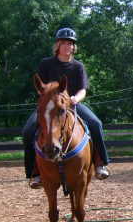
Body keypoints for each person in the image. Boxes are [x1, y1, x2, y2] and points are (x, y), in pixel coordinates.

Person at [22, 27, 110, 189]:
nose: (67, 46)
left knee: (96, 123)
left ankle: (100, 163)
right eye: (63, 43)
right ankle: (35, 173)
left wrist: (76, 98)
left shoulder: (78, 66)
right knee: (27, 131)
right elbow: (40, 87)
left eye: (70, 43)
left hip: (72, 104)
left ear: (73, 47)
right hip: (48, 107)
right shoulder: (46, 64)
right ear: (57, 45)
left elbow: (83, 89)